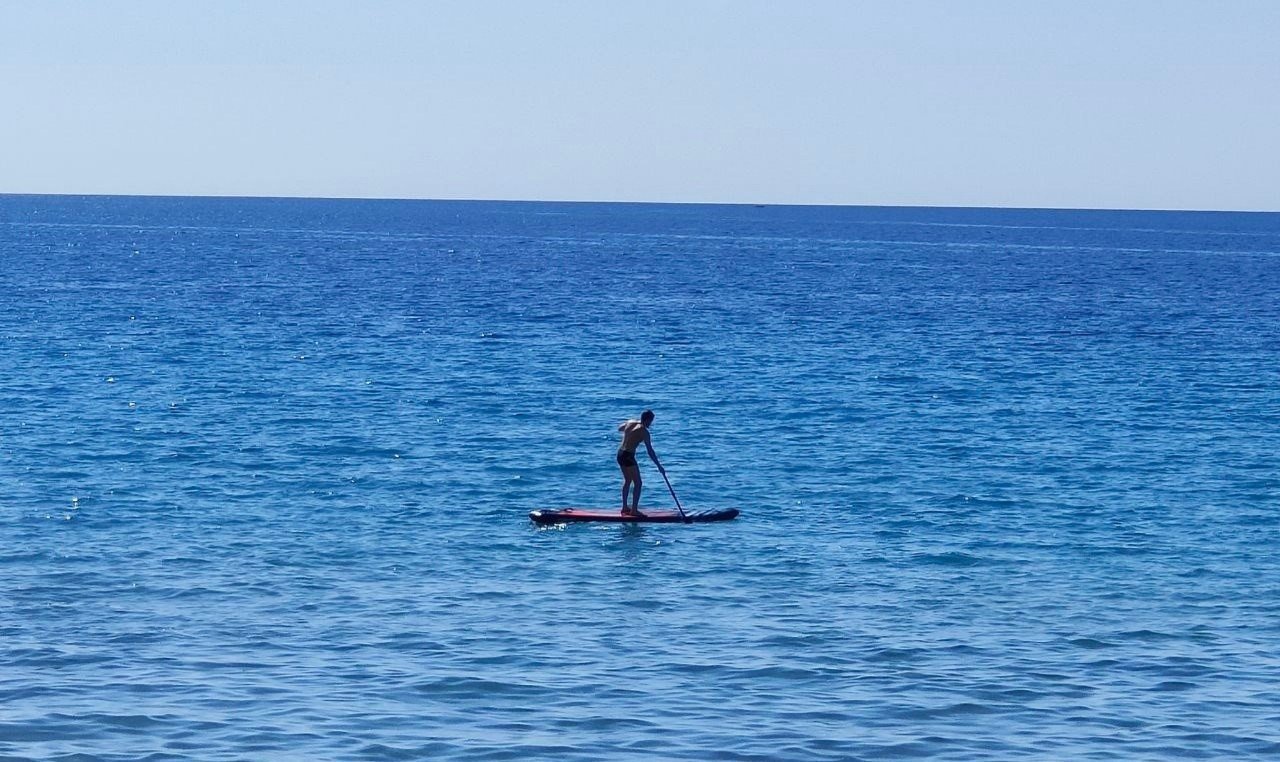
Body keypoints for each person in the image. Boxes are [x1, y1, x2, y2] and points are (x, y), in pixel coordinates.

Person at [616, 409, 664, 516]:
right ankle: (634, 510)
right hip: (628, 456)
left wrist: (631, 428)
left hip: (620, 454)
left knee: (628, 480)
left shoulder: (630, 422)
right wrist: (659, 466)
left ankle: (624, 507)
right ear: (646, 420)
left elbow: (620, 428)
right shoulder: (644, 432)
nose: (651, 424)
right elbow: (650, 451)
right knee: (638, 483)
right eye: (650, 421)